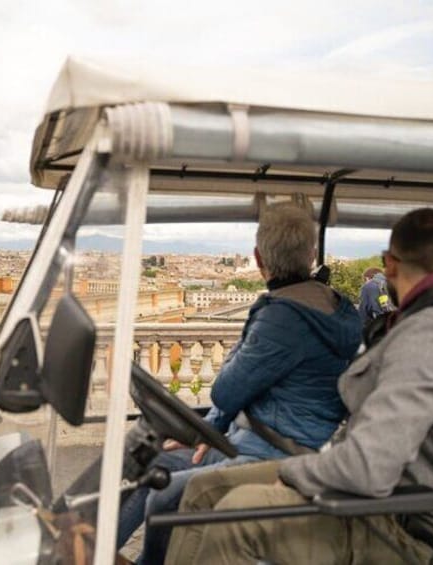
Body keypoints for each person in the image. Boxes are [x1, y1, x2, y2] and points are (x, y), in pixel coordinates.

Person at [165, 208, 433, 565]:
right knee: (202, 490)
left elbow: (368, 468)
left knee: (234, 518)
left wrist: (298, 475)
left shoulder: (430, 336)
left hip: (401, 527)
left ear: (389, 264)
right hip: (381, 500)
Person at [117, 204, 362, 563]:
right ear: (311, 255)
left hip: (271, 452)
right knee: (154, 463)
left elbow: (226, 390)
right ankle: (87, 547)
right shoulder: (334, 309)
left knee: (164, 495)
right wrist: (209, 430)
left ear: (258, 258)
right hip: (267, 441)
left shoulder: (282, 317)